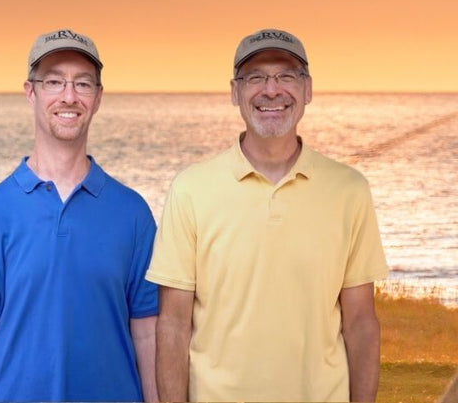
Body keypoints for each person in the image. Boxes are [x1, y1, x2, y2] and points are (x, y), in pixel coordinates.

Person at [149, 28, 388, 401]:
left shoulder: (349, 190)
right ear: (235, 92)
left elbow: (360, 323)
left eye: (286, 76)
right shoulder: (190, 190)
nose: (271, 90)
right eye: (256, 77)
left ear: (307, 89)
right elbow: (174, 324)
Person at [0, 29, 160, 402]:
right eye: (54, 82)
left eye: (83, 84)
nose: (69, 96)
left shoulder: (133, 214)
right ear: (31, 92)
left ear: (97, 99)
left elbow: (147, 333)